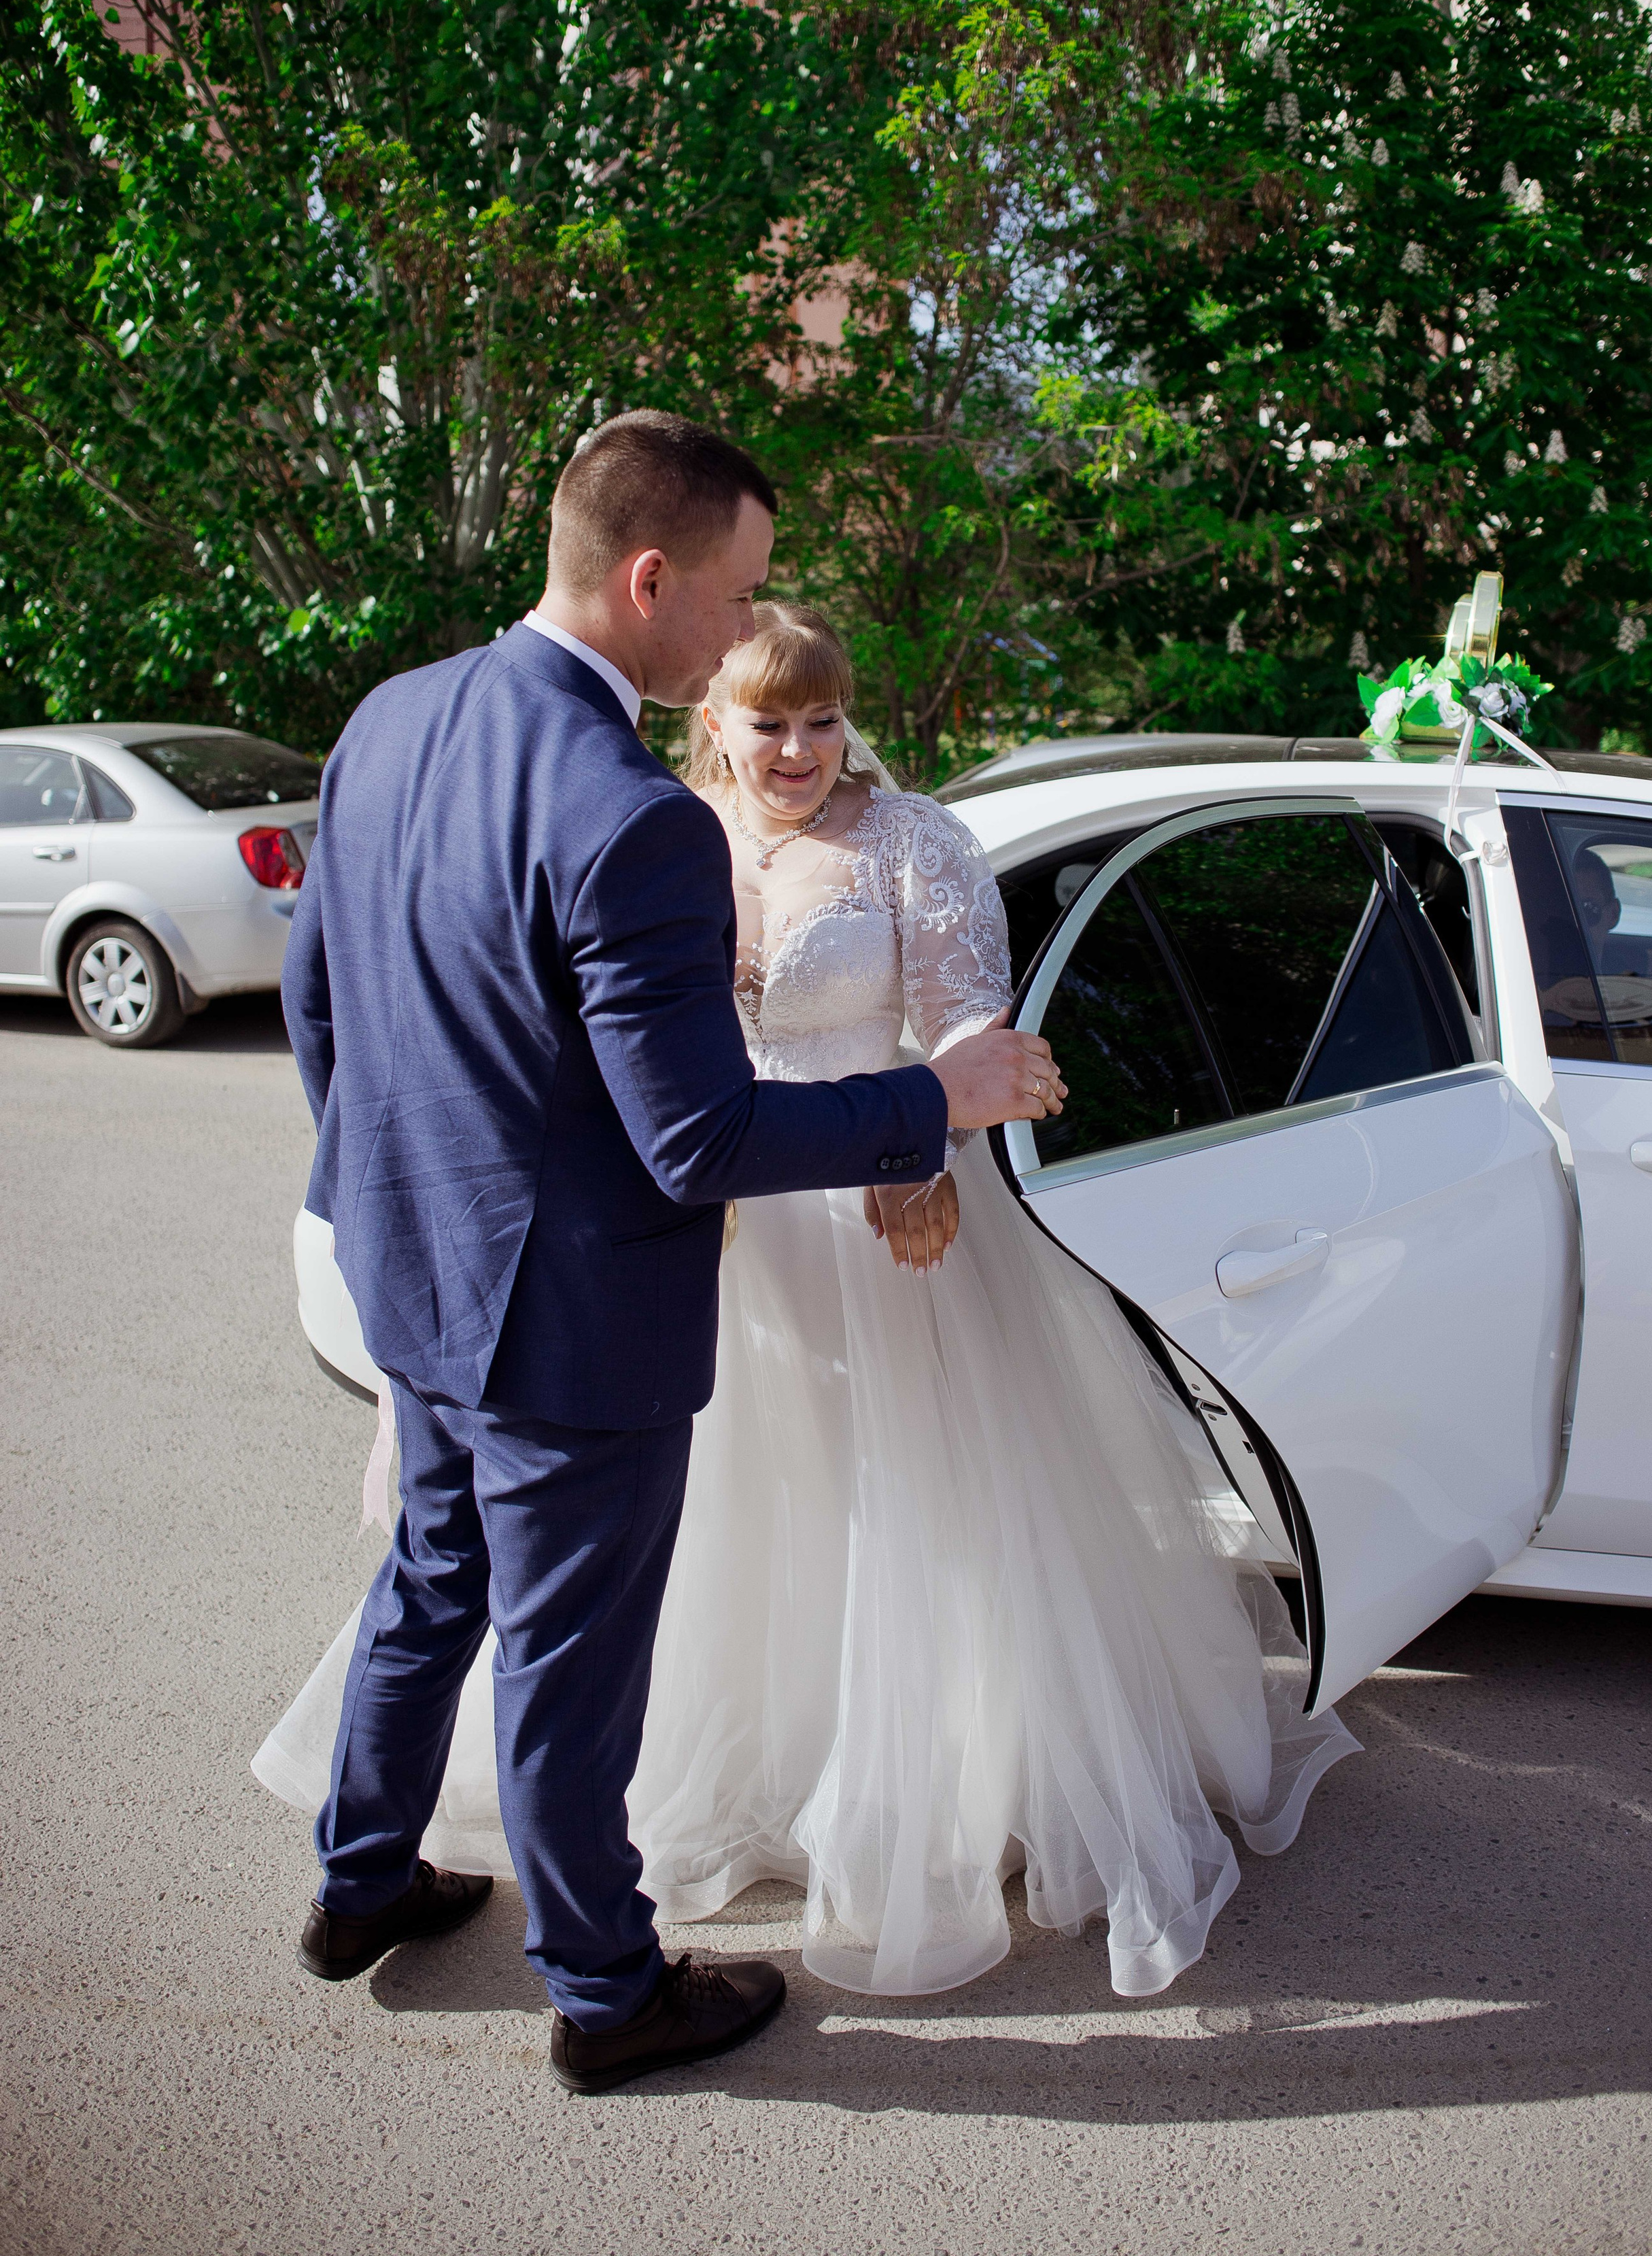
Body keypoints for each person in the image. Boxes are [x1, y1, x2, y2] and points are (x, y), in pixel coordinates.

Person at [261, 587, 1356, 2026]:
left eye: (823, 718)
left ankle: (395, 1877)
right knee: (613, 1590)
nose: (798, 748)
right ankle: (592, 1971)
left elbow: (968, 1019)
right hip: (684, 1241)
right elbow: (633, 1079)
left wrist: (926, 1146)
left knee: (857, 1536)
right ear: (710, 718)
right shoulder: (649, 823)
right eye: (767, 720)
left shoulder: (908, 840)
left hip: (858, 1239)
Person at [265, 414, 1064, 2098]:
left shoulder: (388, 718)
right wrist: (934, 1094)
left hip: (414, 1267)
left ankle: (358, 1884)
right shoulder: (634, 816)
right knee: (565, 1648)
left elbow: (318, 1006)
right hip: (571, 1316)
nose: (739, 632)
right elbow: (695, 1139)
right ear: (646, 578)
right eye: (732, 595)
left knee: (429, 1579)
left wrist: (388, 1187)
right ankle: (608, 1990)